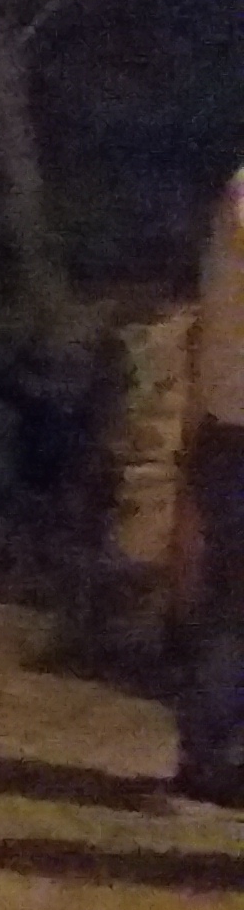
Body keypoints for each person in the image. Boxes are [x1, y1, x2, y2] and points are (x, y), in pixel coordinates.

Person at [181, 155, 244, 810]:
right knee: (232, 600)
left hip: (229, 421)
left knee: (229, 598)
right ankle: (213, 755)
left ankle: (211, 751)